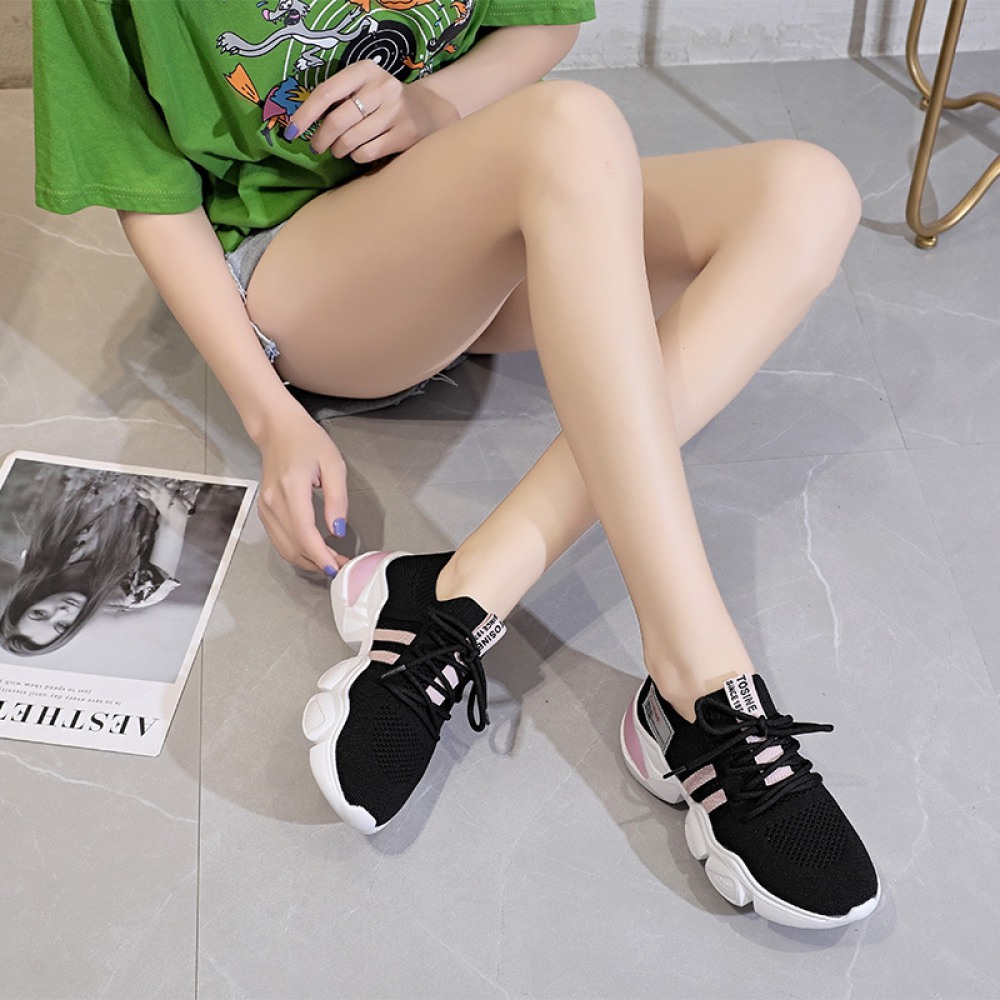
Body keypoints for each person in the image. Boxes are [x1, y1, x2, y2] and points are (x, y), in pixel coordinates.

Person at [32, 0, 879, 927]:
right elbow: (146, 184)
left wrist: (436, 104)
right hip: (306, 281)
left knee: (809, 193)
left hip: (474, 220)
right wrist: (270, 415)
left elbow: (544, 21)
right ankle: (701, 680)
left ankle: (466, 587)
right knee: (572, 125)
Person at [0, 468, 197, 654]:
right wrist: (163, 497)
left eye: (40, 613)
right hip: (172, 476)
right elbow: (176, 518)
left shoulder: (38, 555)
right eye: (62, 625)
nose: (62, 611)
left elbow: (77, 483)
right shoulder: (139, 593)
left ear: (29, 601)